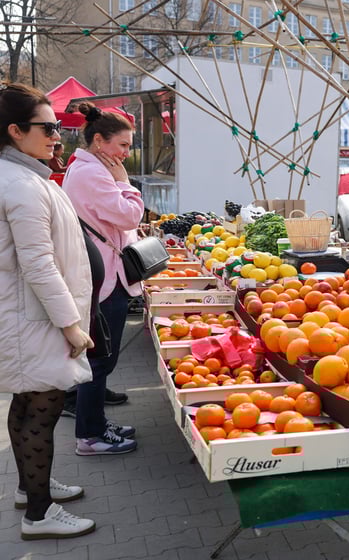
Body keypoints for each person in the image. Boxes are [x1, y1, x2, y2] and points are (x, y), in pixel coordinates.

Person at [0, 81, 97, 539]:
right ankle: (39, 514)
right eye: (49, 127)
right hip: (35, 319)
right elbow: (37, 263)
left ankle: (30, 487)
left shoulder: (27, 174)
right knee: (41, 408)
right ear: (16, 131)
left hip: (31, 316)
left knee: (28, 404)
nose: (58, 134)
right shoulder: (18, 182)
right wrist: (71, 325)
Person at [62, 102, 143, 456]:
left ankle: (94, 424)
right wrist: (127, 185)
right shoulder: (93, 174)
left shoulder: (87, 169)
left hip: (103, 272)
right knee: (99, 361)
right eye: (122, 145)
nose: (126, 153)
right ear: (99, 141)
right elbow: (129, 216)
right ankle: (90, 436)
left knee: (102, 358)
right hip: (105, 277)